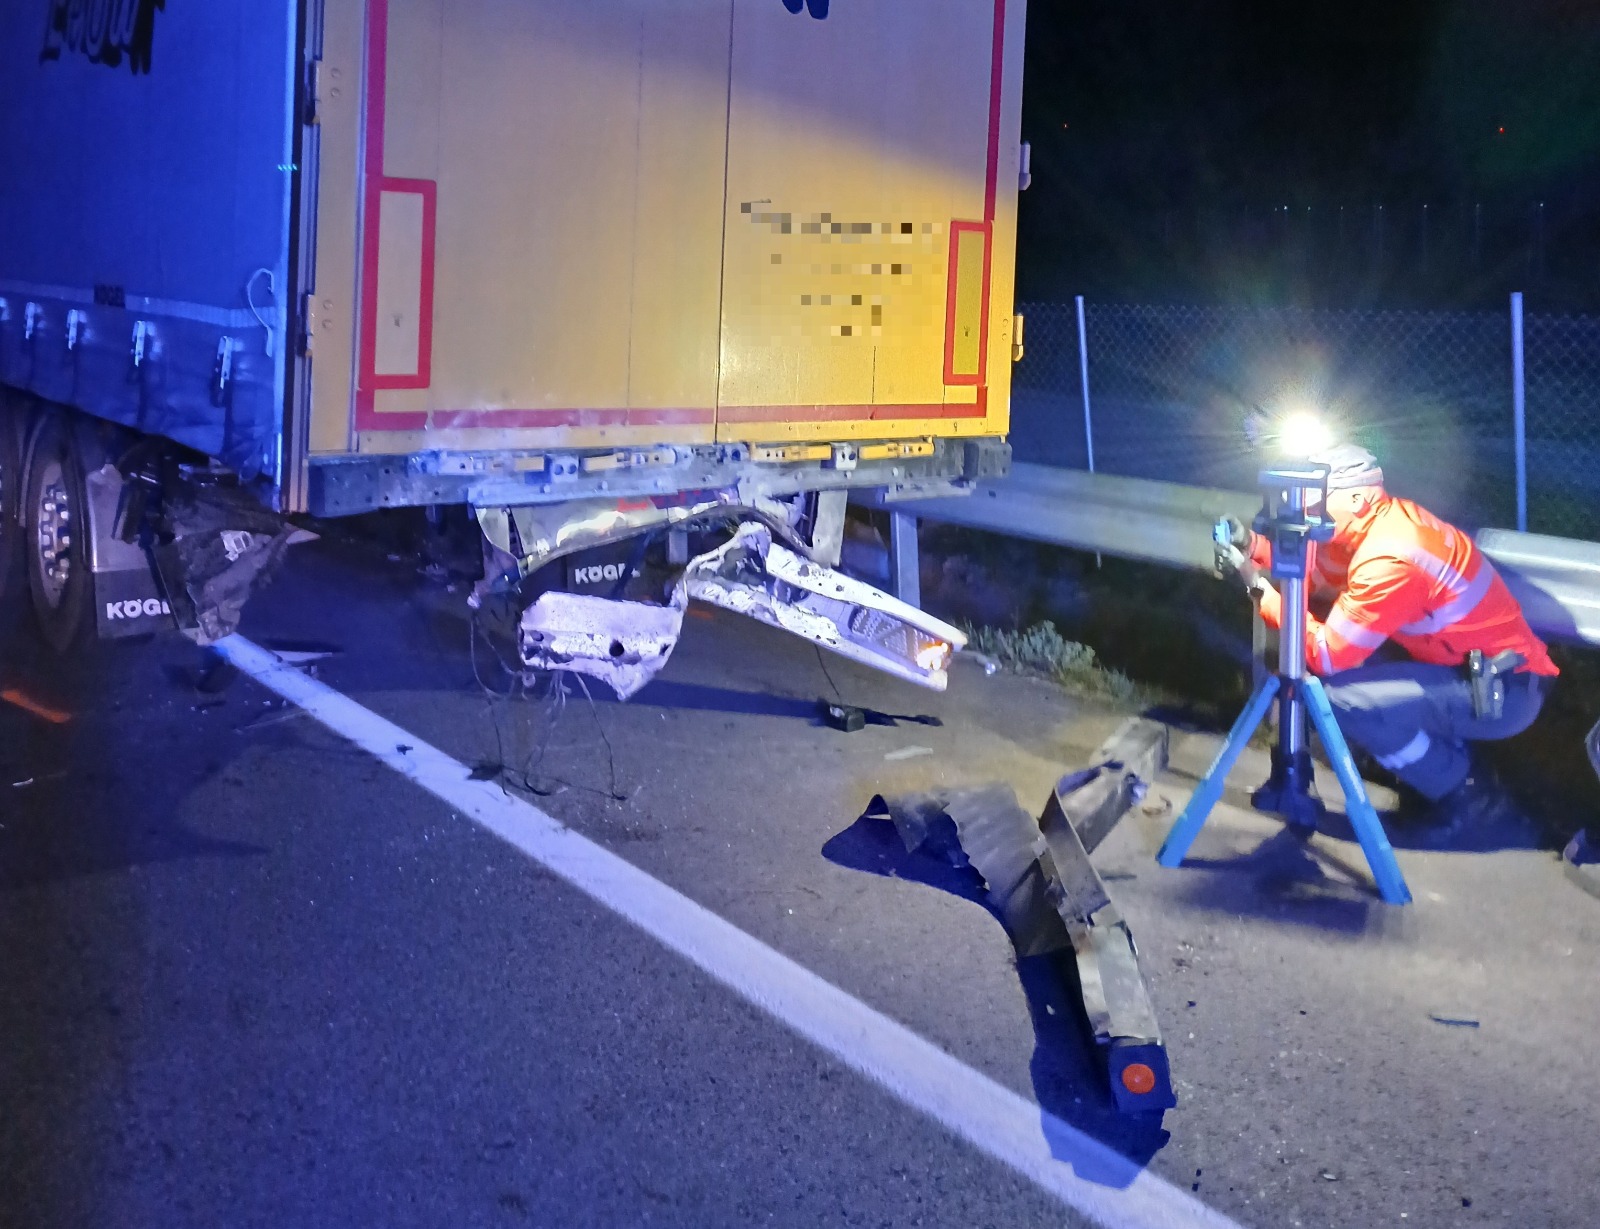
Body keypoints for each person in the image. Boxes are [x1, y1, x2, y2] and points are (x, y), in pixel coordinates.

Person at [1220, 443, 1558, 845]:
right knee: (1354, 675)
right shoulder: (1381, 525)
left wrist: (1258, 589)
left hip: (1505, 690)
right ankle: (1438, 772)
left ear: (1357, 499)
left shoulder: (1391, 558)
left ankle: (1468, 798)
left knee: (1341, 701)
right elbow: (1320, 567)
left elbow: (1326, 653)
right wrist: (1253, 548)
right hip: (1477, 673)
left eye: (1316, 499)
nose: (1305, 509)